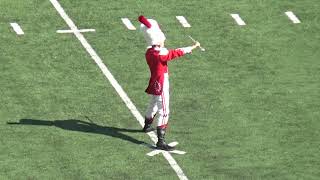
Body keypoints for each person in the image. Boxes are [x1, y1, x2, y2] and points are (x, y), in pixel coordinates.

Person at [138, 15, 200, 151]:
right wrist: (193, 47)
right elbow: (175, 53)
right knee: (164, 111)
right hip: (161, 82)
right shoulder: (161, 54)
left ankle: (147, 125)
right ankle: (160, 141)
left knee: (153, 104)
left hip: (155, 81)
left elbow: (168, 53)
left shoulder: (149, 52)